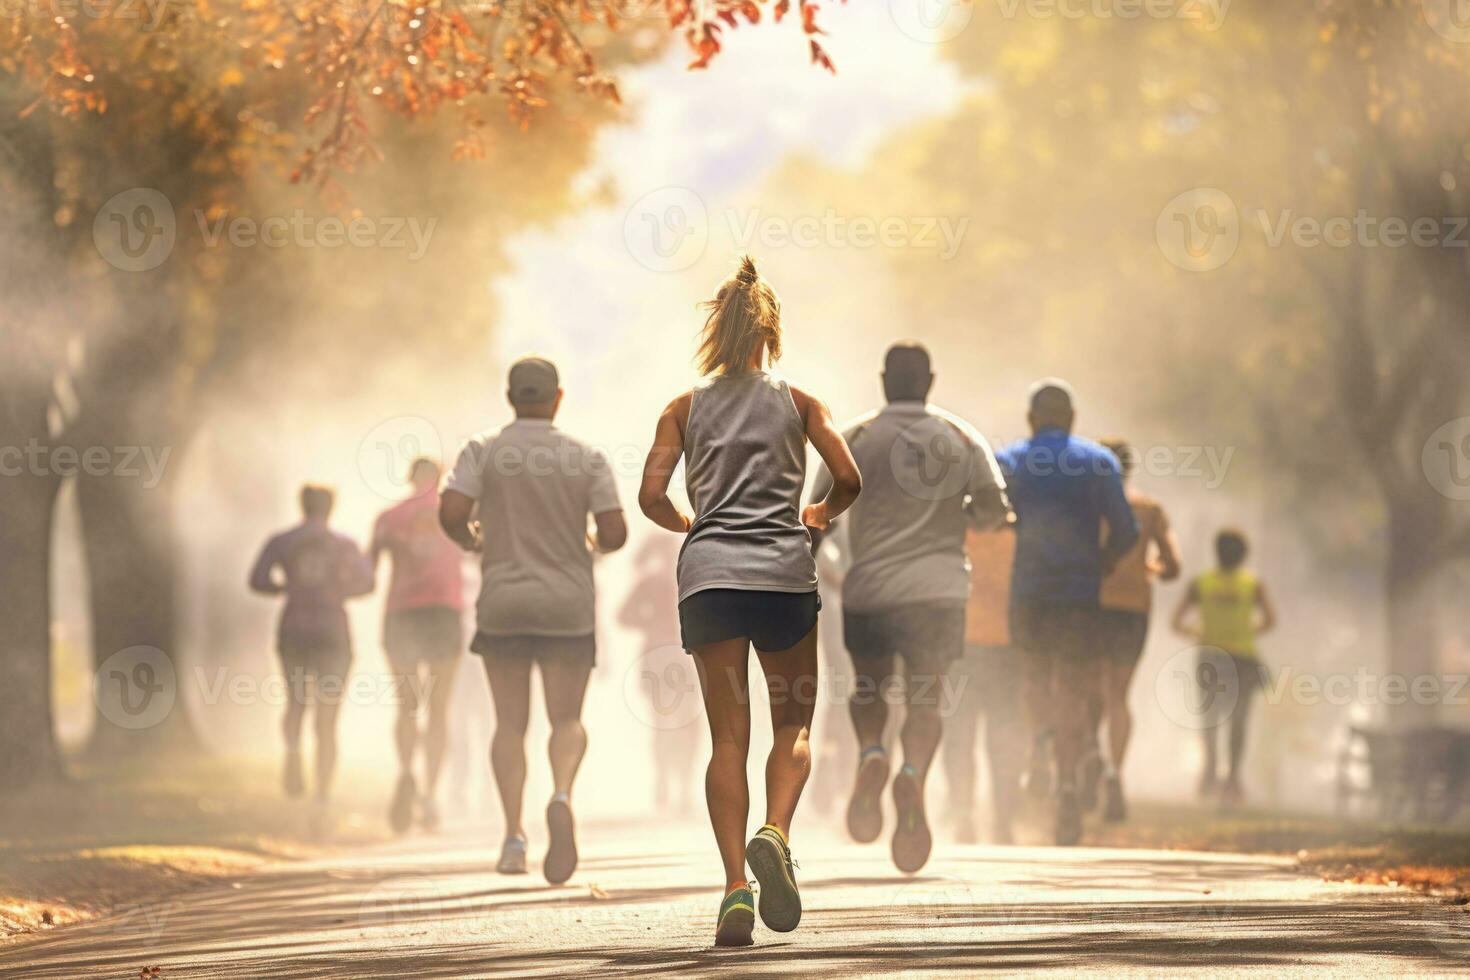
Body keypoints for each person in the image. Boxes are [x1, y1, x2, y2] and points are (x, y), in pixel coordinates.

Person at [637, 255, 862, 948]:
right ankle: (777, 832)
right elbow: (849, 478)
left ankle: (735, 886)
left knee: (726, 737)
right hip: (783, 578)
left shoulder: (682, 407)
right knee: (793, 725)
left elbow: (651, 495)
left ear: (719, 331)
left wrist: (691, 527)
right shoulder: (800, 403)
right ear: (771, 331)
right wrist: (817, 513)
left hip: (710, 579)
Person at [808, 342, 1009, 874]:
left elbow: (815, 520)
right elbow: (993, 514)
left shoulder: (851, 438)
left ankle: (873, 752)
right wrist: (956, 507)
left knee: (868, 688)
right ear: (931, 379)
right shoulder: (963, 437)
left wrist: (802, 577)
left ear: (882, 379)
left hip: (870, 589)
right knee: (927, 698)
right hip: (940, 592)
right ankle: (914, 770)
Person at [440, 355, 628, 884]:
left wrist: (473, 541)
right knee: (566, 720)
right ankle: (562, 793)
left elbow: (452, 513)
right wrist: (588, 544)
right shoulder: (585, 457)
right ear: (558, 398)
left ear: (509, 398)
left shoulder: (483, 450)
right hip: (567, 607)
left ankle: (512, 837)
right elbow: (615, 532)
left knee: (508, 724)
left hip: (503, 605)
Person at [995, 380, 1139, 846]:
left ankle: (1039, 746)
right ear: (1073, 418)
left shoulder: (1011, 460)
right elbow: (1126, 529)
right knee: (1074, 690)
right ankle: (1071, 783)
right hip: (1080, 595)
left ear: (1031, 419)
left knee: (1034, 677)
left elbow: (992, 516)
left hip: (1030, 592)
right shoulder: (1100, 462)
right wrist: (1106, 560)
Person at [248, 484, 374, 836]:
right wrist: (339, 591)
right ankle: (322, 795)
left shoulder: (282, 541)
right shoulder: (344, 544)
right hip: (332, 631)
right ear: (331, 508)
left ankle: (291, 751)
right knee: (328, 719)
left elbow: (257, 579)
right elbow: (367, 582)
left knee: (295, 702)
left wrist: (284, 589)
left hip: (295, 629)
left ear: (301, 505)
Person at [370, 457, 467, 834]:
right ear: (440, 479)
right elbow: (480, 549)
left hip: (402, 614)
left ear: (409, 478)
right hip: (444, 613)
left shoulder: (389, 517)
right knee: (439, 709)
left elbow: (366, 574)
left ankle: (407, 771)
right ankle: (429, 794)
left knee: (407, 705)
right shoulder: (457, 513)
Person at [1089, 438, 1181, 822]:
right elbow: (1173, 566)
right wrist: (1149, 570)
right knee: (1118, 696)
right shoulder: (1149, 510)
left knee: (1087, 690)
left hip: (1091, 606)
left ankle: (1088, 759)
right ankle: (1114, 772)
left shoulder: (1086, 509)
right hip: (1133, 611)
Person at [1171, 527, 1276, 809]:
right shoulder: (1252, 585)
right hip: (1243, 658)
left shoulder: (1201, 583)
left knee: (1210, 719)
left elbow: (1176, 622)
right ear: (1244, 556)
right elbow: (1270, 620)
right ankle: (1232, 780)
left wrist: (1195, 632)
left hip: (1210, 657)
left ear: (1216, 552)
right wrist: (1250, 629)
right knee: (1238, 721)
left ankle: (1210, 772)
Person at [942, 525, 1025, 845]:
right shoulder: (1018, 538)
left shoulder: (955, 534)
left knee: (959, 735)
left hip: (961, 650)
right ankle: (1003, 819)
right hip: (1007, 649)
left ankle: (964, 811)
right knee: (1004, 736)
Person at [617, 534, 700, 813]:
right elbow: (623, 616)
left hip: (668, 657)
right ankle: (673, 782)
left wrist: (649, 621)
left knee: (670, 722)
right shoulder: (687, 578)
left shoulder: (669, 581)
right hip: (676, 656)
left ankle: (674, 782)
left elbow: (624, 616)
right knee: (674, 723)